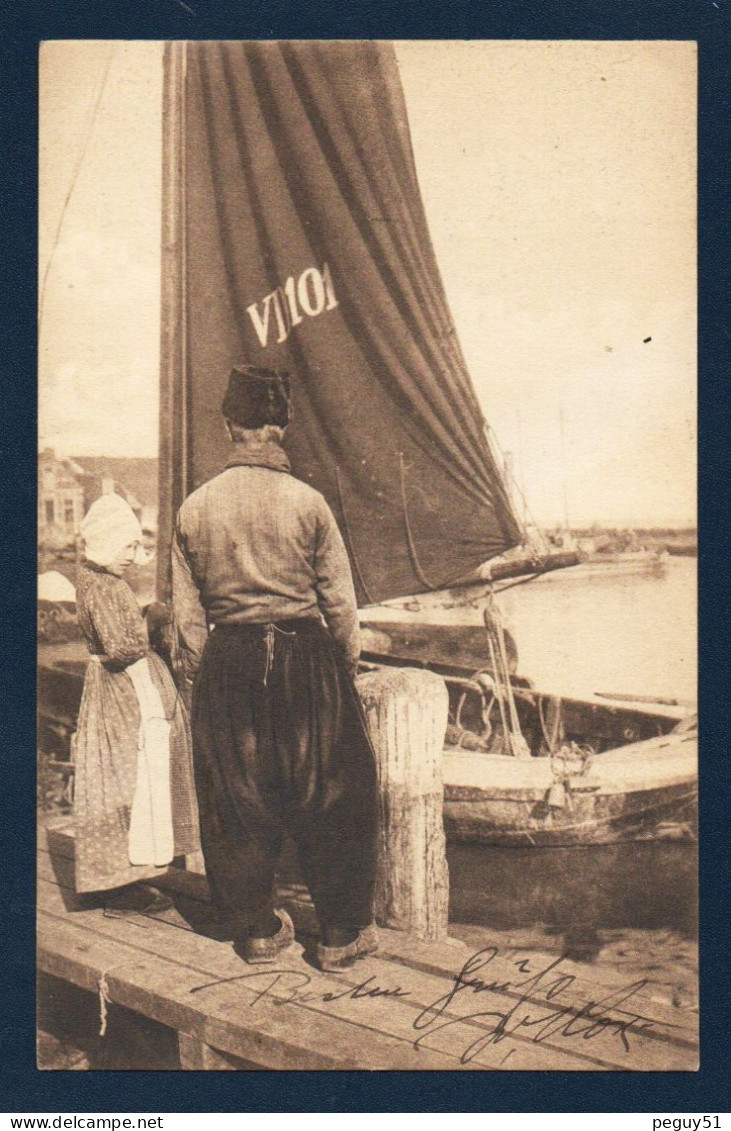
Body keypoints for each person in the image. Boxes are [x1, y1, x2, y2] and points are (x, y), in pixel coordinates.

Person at [171, 365, 379, 971]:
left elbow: (187, 622)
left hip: (229, 656)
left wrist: (199, 680)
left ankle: (257, 931)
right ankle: (341, 936)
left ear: (229, 425)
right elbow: (340, 605)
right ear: (282, 427)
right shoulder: (309, 504)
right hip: (307, 654)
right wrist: (342, 672)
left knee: (236, 794)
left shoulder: (194, 508)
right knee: (334, 791)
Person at [73, 493, 200, 909]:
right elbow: (125, 647)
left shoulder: (94, 581)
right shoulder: (107, 587)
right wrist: (156, 618)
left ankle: (131, 872)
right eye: (127, 546)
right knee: (130, 774)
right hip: (122, 688)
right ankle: (121, 881)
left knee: (126, 776)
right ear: (108, 542)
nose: (133, 555)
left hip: (112, 685)